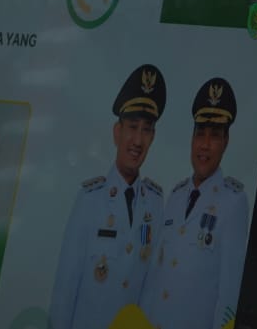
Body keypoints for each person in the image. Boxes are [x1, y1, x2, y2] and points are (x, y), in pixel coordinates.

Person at [51, 64, 167, 329]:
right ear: (118, 132)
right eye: (132, 127)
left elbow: (151, 288)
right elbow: (65, 290)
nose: (137, 140)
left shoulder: (156, 203)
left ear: (153, 137)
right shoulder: (90, 199)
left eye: (146, 129)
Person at [140, 77, 250, 329]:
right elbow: (155, 277)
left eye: (214, 135)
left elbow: (229, 291)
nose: (205, 145)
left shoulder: (233, 202)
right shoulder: (176, 196)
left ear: (226, 142)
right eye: (200, 133)